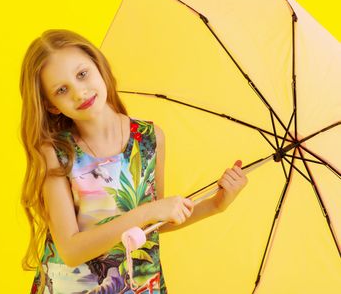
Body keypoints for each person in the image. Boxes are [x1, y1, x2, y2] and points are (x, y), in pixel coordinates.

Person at [19, 29, 248, 294]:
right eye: (61, 89)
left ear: (99, 67)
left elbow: (154, 224)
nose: (80, 92)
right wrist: (145, 212)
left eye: (82, 74)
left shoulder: (150, 139)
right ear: (51, 105)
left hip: (138, 285)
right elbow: (70, 250)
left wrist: (217, 204)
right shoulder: (57, 154)